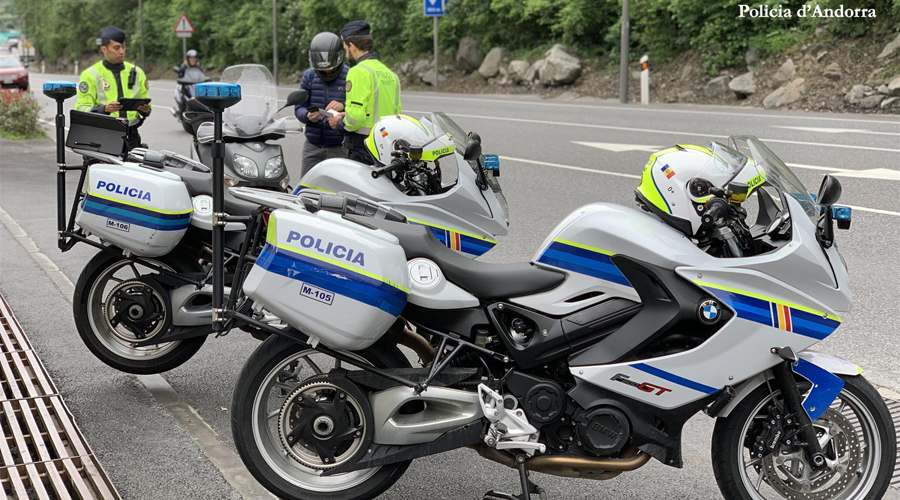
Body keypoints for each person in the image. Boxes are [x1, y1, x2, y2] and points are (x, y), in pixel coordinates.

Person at [328, 20, 401, 165]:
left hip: (363, 147)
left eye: (345, 45)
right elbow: (394, 113)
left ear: (351, 45)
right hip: (386, 145)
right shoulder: (390, 74)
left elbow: (355, 118)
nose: (344, 49)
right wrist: (346, 114)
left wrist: (339, 123)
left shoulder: (358, 72)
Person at [75, 26, 151, 151]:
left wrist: (145, 110)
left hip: (131, 136)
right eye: (116, 48)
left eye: (123, 47)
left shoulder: (137, 72)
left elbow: (145, 101)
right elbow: (82, 108)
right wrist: (104, 109)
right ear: (104, 49)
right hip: (103, 135)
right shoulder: (90, 74)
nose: (122, 52)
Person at [294, 32, 349, 176]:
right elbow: (299, 107)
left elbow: (360, 108)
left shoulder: (350, 76)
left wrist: (343, 105)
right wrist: (307, 116)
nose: (326, 70)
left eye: (329, 65)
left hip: (340, 147)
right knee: (306, 185)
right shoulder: (309, 76)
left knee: (338, 187)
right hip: (313, 145)